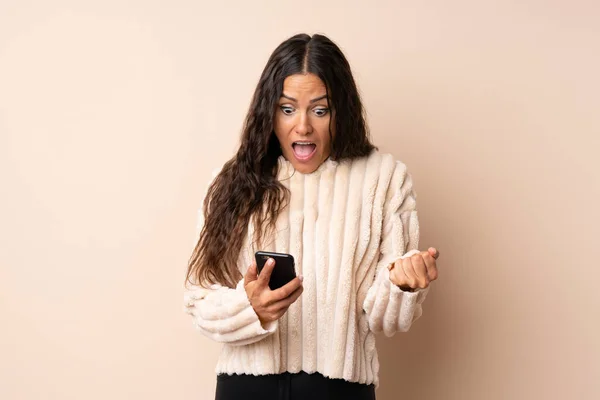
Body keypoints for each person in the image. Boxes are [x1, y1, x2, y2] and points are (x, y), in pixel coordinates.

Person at [183, 33, 440, 400]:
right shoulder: (232, 182)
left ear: (342, 111)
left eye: (320, 110)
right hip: (246, 388)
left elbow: (388, 321)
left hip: (339, 391)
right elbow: (198, 298)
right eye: (287, 109)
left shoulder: (384, 179)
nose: (302, 126)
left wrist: (402, 285)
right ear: (268, 111)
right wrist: (248, 308)